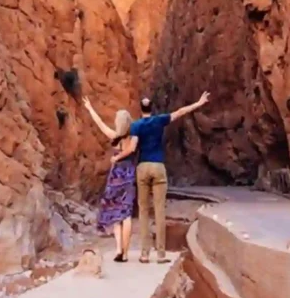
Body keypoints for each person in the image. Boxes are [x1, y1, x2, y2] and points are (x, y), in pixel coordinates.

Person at [130, 91, 211, 263]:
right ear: (152, 108)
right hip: (158, 166)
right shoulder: (159, 120)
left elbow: (133, 147)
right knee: (159, 210)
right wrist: (199, 102)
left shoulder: (136, 126)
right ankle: (160, 254)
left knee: (143, 211)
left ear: (140, 109)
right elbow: (180, 112)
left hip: (143, 166)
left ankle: (144, 254)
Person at [83, 97, 138, 262]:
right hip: (129, 176)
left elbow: (100, 124)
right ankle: (126, 253)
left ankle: (118, 249)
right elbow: (134, 150)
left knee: (115, 213)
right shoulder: (134, 138)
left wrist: (90, 108)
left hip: (115, 177)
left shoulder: (115, 137)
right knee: (126, 214)